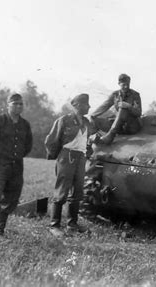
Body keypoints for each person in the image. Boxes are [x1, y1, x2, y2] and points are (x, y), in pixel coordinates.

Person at [0, 93, 33, 247]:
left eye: (21, 104)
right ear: (7, 105)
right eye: (15, 103)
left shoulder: (25, 124)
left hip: (16, 169)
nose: (18, 107)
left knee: (11, 201)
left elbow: (28, 145)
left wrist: (17, 156)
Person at [44, 93, 97, 237]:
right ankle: (54, 225)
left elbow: (88, 140)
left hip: (81, 157)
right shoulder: (64, 120)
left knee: (77, 192)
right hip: (66, 156)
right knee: (62, 190)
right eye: (86, 104)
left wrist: (88, 152)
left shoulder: (87, 122)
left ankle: (72, 224)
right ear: (77, 105)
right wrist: (59, 156)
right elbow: (51, 141)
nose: (89, 107)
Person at [90, 73, 142, 145]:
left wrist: (129, 106)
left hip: (131, 126)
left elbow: (139, 112)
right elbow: (105, 105)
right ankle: (95, 138)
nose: (126, 87)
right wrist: (93, 115)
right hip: (119, 127)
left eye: (128, 84)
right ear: (119, 84)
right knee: (95, 119)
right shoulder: (115, 95)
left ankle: (110, 137)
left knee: (123, 108)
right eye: (123, 85)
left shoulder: (135, 95)